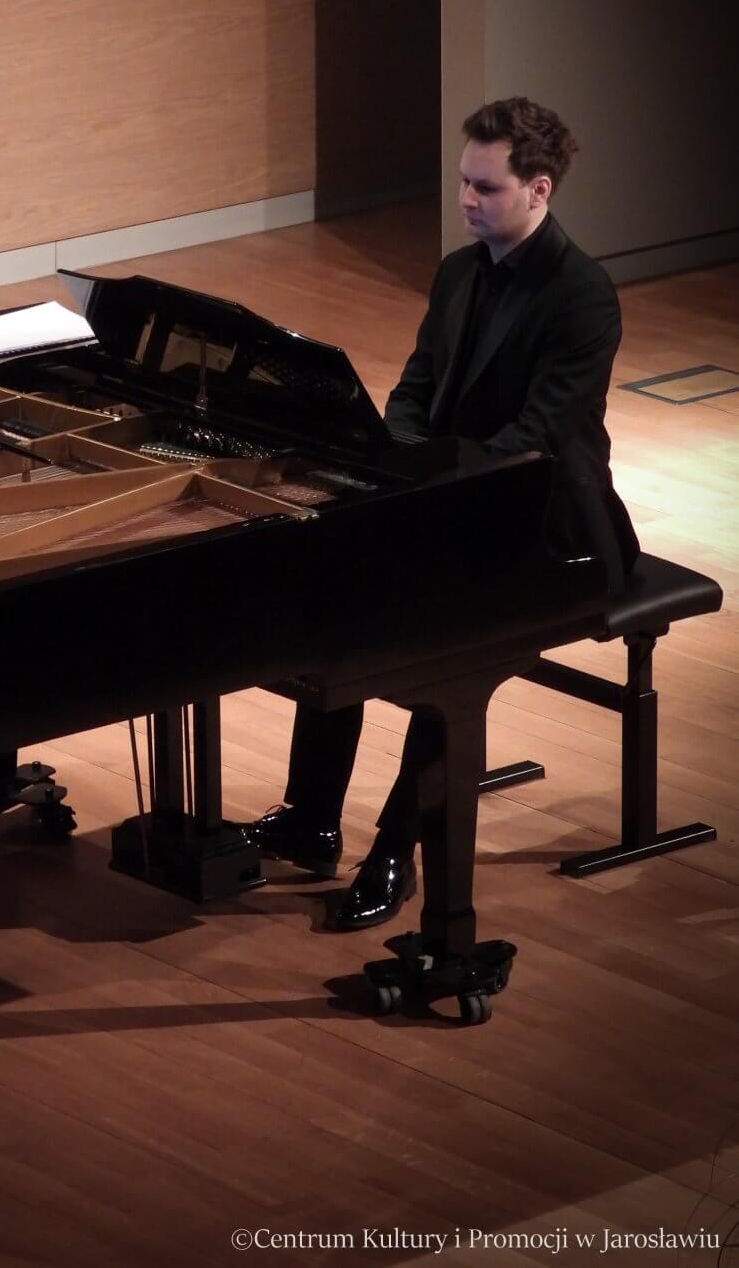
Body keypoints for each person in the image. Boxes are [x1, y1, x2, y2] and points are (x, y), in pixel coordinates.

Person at [255, 96, 639, 929]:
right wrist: (398, 461)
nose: (466, 200)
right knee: (338, 595)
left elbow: (536, 437)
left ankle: (397, 848)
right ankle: (311, 818)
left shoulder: (583, 295)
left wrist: (436, 489)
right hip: (448, 495)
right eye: (462, 182)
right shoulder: (460, 269)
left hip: (549, 523)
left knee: (442, 654)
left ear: (538, 190)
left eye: (485, 187)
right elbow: (417, 386)